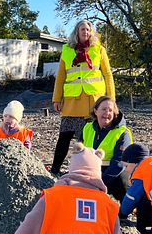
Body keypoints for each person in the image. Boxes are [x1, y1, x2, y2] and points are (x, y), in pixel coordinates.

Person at [9, 142, 122, 234]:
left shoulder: (53, 196)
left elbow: (32, 221)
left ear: (72, 169)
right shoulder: (109, 205)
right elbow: (116, 233)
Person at [49, 20, 116, 176]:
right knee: (64, 136)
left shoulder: (99, 50)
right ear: (77, 32)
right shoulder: (67, 50)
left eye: (88, 29)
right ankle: (54, 170)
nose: (85, 32)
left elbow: (107, 75)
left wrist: (111, 100)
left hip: (93, 101)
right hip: (72, 100)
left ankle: (87, 171)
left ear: (91, 32)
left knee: (89, 139)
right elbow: (60, 77)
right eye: (82, 29)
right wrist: (56, 99)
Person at [80, 96, 132, 200]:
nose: (107, 113)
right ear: (95, 111)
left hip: (114, 173)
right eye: (104, 109)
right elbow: (79, 154)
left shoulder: (122, 133)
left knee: (122, 183)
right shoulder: (87, 128)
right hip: (91, 171)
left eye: (110, 110)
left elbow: (119, 163)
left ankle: (124, 212)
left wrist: (99, 184)